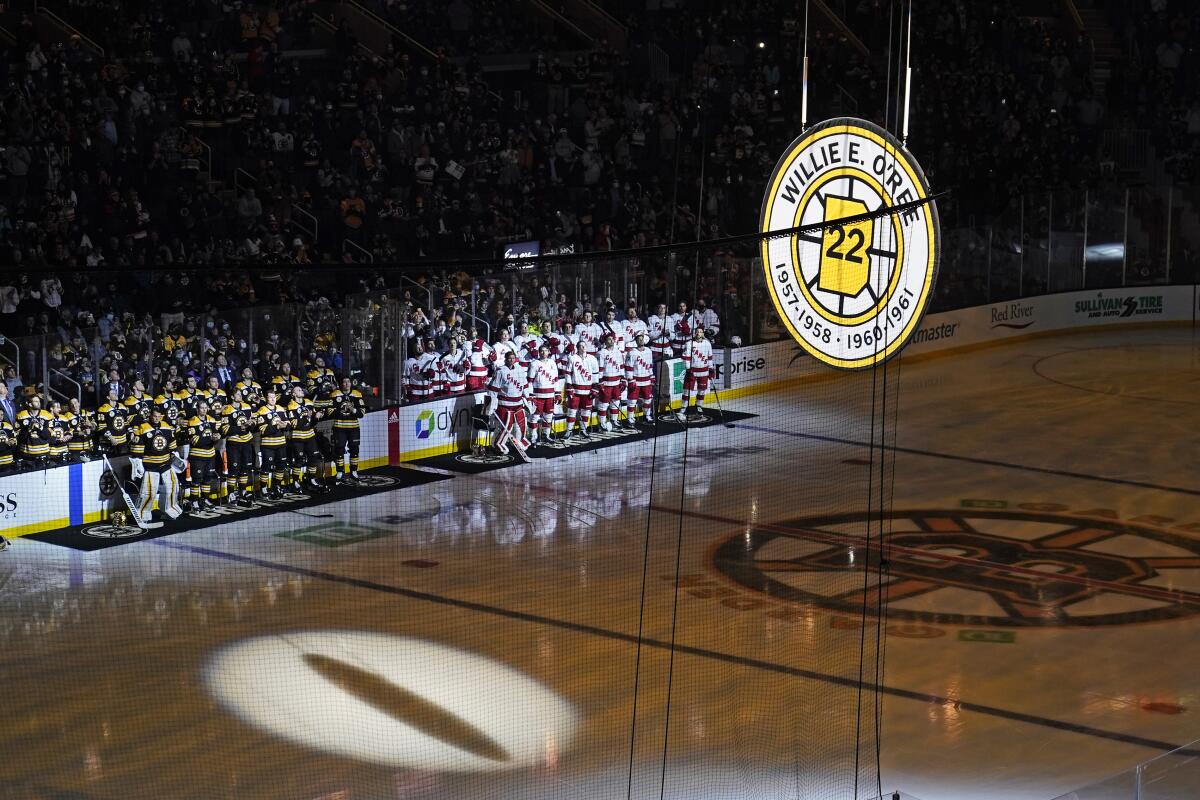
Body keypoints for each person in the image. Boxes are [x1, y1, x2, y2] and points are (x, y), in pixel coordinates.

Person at [130, 407, 183, 523]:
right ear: (150, 415)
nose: (157, 418)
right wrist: (138, 462)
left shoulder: (166, 426)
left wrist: (175, 454)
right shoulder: (143, 427)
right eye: (154, 416)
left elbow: (172, 442)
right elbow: (138, 447)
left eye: (159, 416)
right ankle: (142, 514)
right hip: (150, 465)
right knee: (149, 491)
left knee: (173, 487)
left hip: (166, 463)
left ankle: (169, 509)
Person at [487, 350, 531, 455]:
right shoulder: (500, 371)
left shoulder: (520, 370)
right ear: (505, 359)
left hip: (519, 403)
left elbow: (525, 386)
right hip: (505, 405)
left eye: (513, 358)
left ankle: (517, 442)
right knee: (505, 427)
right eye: (509, 358)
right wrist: (491, 404)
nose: (511, 360)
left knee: (520, 425)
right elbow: (493, 389)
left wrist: (528, 398)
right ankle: (496, 444)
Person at [222, 386, 258, 506]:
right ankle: (231, 493)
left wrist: (251, 423)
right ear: (232, 397)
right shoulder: (227, 409)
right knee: (234, 469)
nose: (240, 396)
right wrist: (241, 427)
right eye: (238, 394)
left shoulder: (247, 406)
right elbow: (225, 429)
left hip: (247, 441)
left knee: (245, 468)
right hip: (234, 443)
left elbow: (254, 422)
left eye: (241, 394)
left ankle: (243, 490)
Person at [185, 400, 222, 511]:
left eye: (206, 408)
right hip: (197, 456)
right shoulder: (192, 421)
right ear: (197, 409)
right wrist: (211, 438)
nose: (204, 410)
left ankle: (204, 500)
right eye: (202, 408)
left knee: (208, 479)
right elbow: (195, 441)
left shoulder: (211, 419)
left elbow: (215, 433)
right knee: (197, 479)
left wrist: (216, 437)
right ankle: (194, 501)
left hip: (210, 454)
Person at [287, 385, 326, 492]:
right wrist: (307, 417)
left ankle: (311, 479)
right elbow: (294, 424)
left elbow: (312, 422)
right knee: (299, 461)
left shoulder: (309, 402)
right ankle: (295, 482)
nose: (301, 391)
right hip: (298, 438)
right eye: (298, 390)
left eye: (301, 389)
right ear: (294, 394)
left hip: (310, 436)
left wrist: (316, 417)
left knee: (313, 458)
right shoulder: (291, 405)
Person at [255, 389, 292, 499]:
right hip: (268, 445)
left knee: (281, 466)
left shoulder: (281, 409)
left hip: (281, 443)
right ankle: (263, 488)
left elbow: (289, 423)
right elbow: (262, 430)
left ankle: (276, 486)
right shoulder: (261, 410)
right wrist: (277, 426)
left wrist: (285, 425)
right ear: (266, 398)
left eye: (274, 397)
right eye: (270, 397)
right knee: (266, 467)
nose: (272, 399)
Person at [329, 377, 366, 481]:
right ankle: (340, 472)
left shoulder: (357, 394)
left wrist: (353, 409)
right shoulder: (334, 394)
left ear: (351, 383)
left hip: (354, 428)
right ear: (341, 384)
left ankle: (353, 471)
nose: (346, 383)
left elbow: (362, 413)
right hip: (339, 428)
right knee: (339, 450)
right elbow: (329, 412)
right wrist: (342, 410)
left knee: (354, 450)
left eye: (348, 382)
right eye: (344, 382)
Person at [527, 343, 560, 444]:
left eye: (545, 350)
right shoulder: (534, 363)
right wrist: (531, 395)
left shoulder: (552, 363)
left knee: (548, 416)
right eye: (541, 351)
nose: (543, 352)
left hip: (550, 395)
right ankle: (532, 437)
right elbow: (529, 381)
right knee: (534, 416)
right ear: (538, 352)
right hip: (538, 395)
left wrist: (558, 393)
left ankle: (546, 435)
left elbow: (556, 380)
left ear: (549, 352)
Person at [565, 341, 598, 438]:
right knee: (572, 411)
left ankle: (584, 430)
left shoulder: (592, 359)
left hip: (588, 390)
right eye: (581, 346)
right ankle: (569, 431)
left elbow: (596, 374)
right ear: (578, 348)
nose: (583, 347)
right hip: (575, 390)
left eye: (584, 346)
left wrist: (595, 388)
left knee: (586, 411)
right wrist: (569, 386)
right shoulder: (572, 358)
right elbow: (568, 373)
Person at [680, 326, 714, 420]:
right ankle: (682, 410)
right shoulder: (689, 344)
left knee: (702, 390)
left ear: (703, 334)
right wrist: (688, 369)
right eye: (697, 332)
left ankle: (699, 407)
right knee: (687, 390)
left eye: (701, 332)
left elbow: (710, 357)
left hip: (704, 371)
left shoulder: (707, 343)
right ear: (694, 334)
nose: (699, 333)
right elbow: (685, 358)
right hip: (692, 372)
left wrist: (711, 369)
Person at [596, 333, 626, 431]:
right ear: (605, 341)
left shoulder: (618, 352)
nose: (611, 341)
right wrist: (600, 382)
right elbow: (599, 369)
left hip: (617, 382)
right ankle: (602, 423)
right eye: (609, 339)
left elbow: (621, 366)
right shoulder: (601, 353)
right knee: (603, 404)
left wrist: (623, 379)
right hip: (606, 383)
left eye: (612, 339)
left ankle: (614, 421)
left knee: (616, 402)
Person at [625, 331, 656, 425]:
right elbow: (628, 367)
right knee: (632, 400)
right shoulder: (631, 353)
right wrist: (630, 380)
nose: (641, 340)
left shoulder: (649, 351)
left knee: (648, 399)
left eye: (642, 338)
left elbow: (650, 365)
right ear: (636, 340)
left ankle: (647, 416)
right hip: (636, 380)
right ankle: (630, 418)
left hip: (646, 379)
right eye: (639, 339)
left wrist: (652, 377)